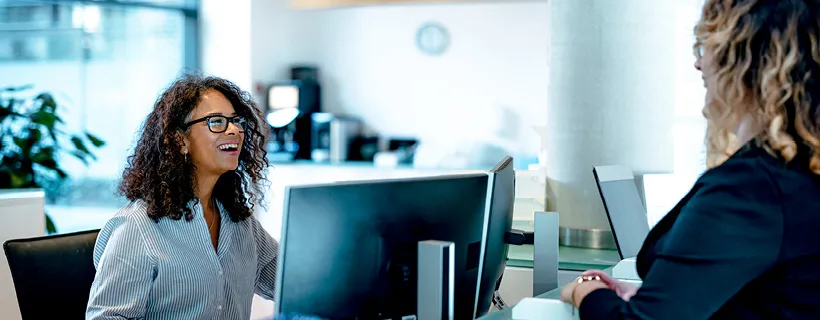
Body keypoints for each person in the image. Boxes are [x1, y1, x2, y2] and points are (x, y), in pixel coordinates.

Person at [560, 0, 820, 318]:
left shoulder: (753, 187)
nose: (698, 65)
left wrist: (588, 291)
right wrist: (665, 295)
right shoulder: (801, 171)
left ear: (744, 58)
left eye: (706, 46)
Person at [86, 74, 277, 319]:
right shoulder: (138, 227)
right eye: (216, 122)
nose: (234, 130)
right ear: (179, 140)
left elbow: (291, 282)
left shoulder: (240, 223)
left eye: (235, 121)